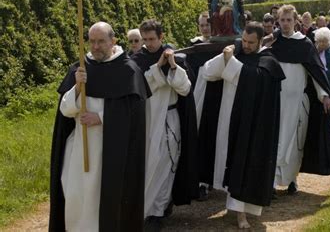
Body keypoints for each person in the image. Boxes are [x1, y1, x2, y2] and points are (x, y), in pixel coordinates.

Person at [50, 22, 150, 231]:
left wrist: (102, 118)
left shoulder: (128, 71)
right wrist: (77, 87)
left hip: (111, 152)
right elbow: (65, 111)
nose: (96, 47)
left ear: (113, 41)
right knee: (76, 196)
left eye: (101, 42)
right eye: (92, 41)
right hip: (79, 148)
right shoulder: (80, 68)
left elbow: (135, 115)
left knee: (103, 202)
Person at [196, 22, 285, 229]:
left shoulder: (267, 61)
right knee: (229, 160)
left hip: (251, 124)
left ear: (260, 41)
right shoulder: (236, 53)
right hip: (228, 118)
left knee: (242, 161)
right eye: (243, 40)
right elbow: (208, 72)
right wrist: (225, 56)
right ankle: (232, 206)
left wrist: (231, 62)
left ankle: (241, 213)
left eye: (250, 42)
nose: (246, 45)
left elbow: (253, 80)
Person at [131, 20, 199, 228]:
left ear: (162, 37)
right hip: (146, 118)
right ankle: (144, 208)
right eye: (145, 39)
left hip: (169, 118)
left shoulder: (177, 58)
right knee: (146, 164)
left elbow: (185, 89)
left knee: (166, 164)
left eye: (152, 39)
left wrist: (172, 66)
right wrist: (157, 67)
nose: (149, 43)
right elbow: (139, 87)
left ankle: (157, 211)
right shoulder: (136, 60)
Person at [269, 4, 330, 195]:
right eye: (282, 20)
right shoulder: (273, 44)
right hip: (277, 102)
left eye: (288, 20)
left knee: (295, 141)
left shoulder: (304, 44)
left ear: (296, 21)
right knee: (276, 140)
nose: (285, 24)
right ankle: (273, 182)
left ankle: (292, 179)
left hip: (298, 103)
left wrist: (323, 95)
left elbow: (315, 72)